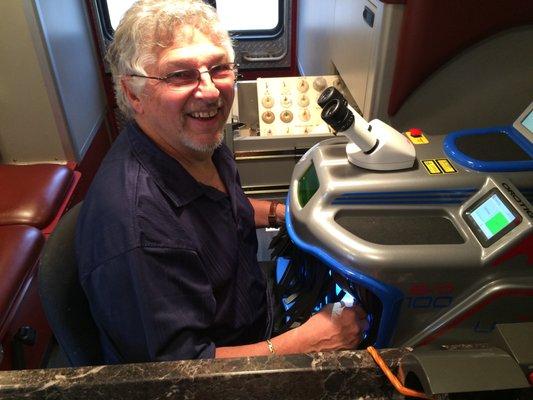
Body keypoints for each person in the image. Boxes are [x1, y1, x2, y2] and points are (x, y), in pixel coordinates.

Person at [76, 0, 368, 364]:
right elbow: (179, 374)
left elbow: (219, 209)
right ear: (134, 94)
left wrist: (285, 214)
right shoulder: (139, 233)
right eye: (179, 75)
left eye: (219, 68)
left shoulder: (194, 144)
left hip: (253, 312)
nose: (210, 91)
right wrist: (306, 343)